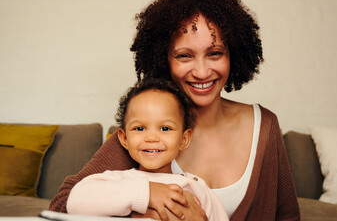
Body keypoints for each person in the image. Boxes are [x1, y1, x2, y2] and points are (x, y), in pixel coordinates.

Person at [50, 0, 300, 220]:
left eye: (215, 53)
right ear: (164, 60)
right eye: (184, 56)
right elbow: (63, 204)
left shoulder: (264, 126)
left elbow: (288, 217)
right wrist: (148, 203)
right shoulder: (145, 130)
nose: (202, 72)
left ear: (233, 54)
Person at [66, 78, 229, 221]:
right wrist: (147, 193)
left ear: (183, 139)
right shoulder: (116, 180)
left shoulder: (194, 187)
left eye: (165, 128)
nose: (151, 138)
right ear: (124, 139)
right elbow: (75, 203)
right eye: (139, 128)